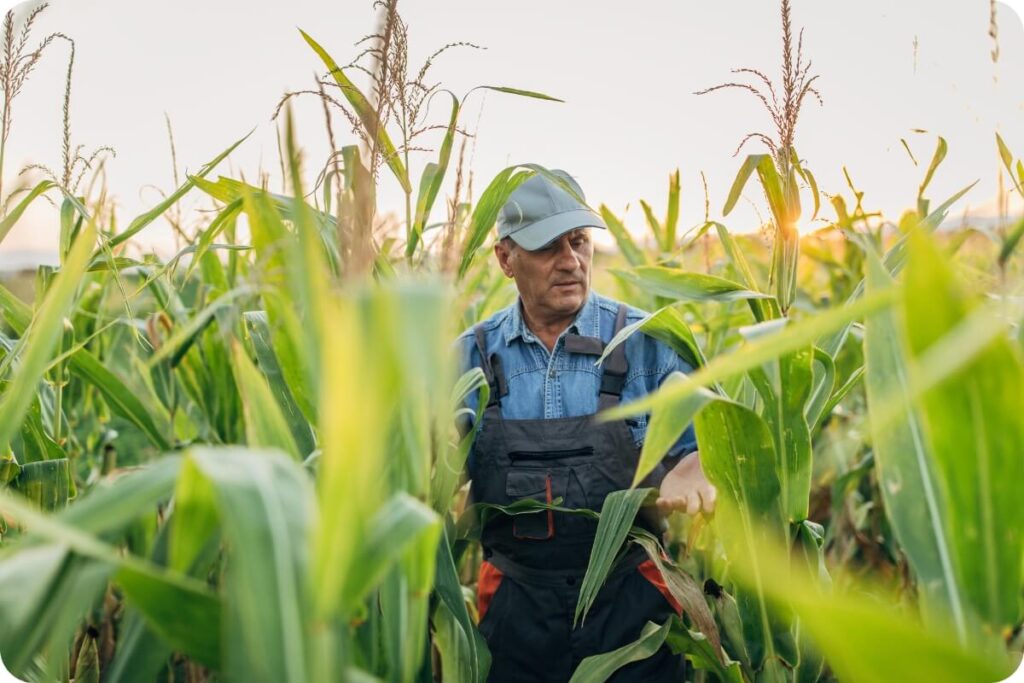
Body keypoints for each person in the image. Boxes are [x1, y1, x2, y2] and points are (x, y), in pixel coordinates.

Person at [456, 169, 716, 683]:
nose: (571, 261)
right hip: (515, 606)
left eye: (579, 241)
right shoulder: (469, 358)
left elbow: (708, 448)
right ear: (505, 258)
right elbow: (425, 469)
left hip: (633, 603)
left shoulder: (648, 344)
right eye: (548, 246)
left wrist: (696, 468)